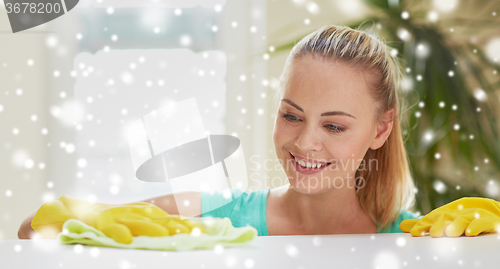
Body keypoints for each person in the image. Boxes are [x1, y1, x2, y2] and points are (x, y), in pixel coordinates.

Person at [18, 24, 421, 239]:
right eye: (292, 116)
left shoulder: (414, 237)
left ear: (381, 130)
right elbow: (32, 228)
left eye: (333, 125)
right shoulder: (214, 213)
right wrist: (78, 219)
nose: (304, 142)